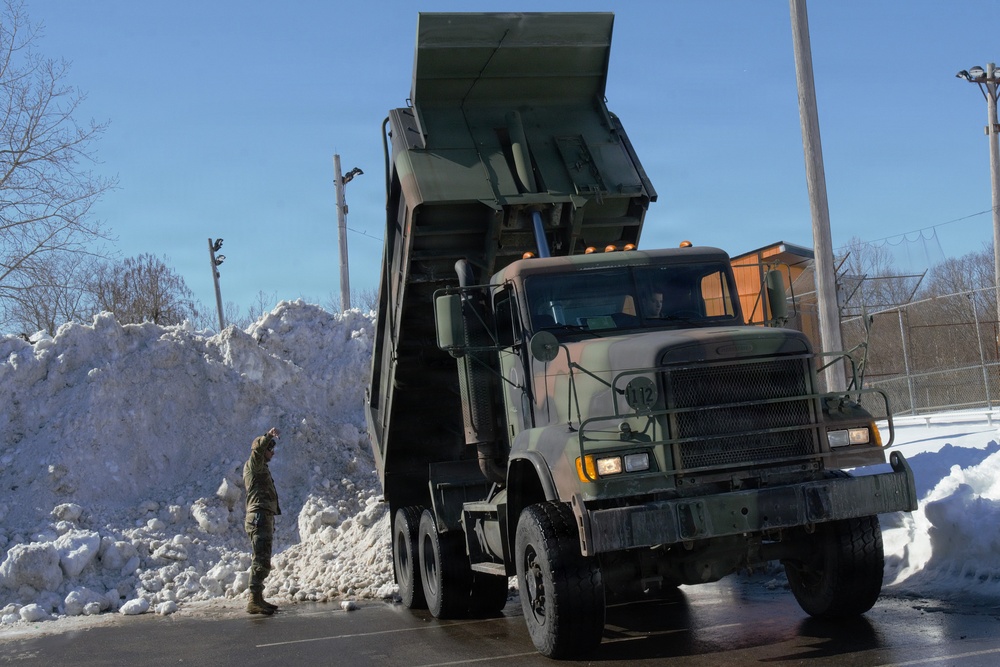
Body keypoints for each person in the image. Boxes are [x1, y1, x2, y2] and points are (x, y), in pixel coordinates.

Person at [243, 427, 282, 615]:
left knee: (263, 558)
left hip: (263, 516)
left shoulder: (260, 467)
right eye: (270, 449)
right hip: (258, 516)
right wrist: (267, 436)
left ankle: (258, 598)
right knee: (260, 559)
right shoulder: (254, 464)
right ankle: (253, 600)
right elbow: (257, 450)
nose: (272, 453)